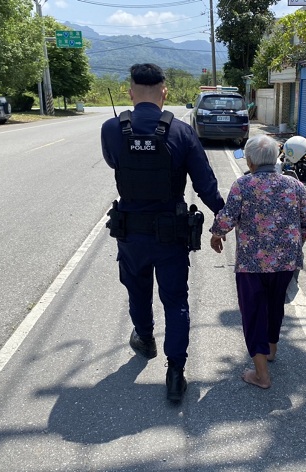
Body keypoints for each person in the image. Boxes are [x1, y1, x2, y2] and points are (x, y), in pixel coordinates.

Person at [101, 63, 225, 402]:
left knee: (137, 291)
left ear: (130, 91)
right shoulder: (181, 132)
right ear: (164, 92)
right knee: (176, 301)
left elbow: (114, 162)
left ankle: (145, 338)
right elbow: (205, 183)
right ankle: (175, 372)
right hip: (171, 235)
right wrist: (224, 216)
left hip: (131, 234)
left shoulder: (112, 128)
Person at [209, 135, 306, 389]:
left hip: (252, 264)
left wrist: (217, 234)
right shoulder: (293, 185)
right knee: (274, 306)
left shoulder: (243, 185)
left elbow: (227, 218)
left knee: (253, 313)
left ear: (250, 161)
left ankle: (261, 375)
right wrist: (295, 240)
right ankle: (270, 351)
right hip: (285, 262)